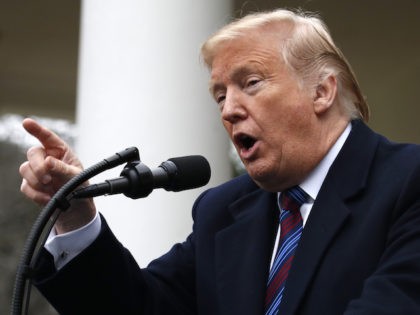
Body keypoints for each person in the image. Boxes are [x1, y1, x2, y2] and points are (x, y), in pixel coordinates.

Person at [19, 8, 420, 315]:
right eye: (219, 96)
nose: (228, 110)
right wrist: (74, 216)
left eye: (251, 83)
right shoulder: (223, 211)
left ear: (321, 92)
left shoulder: (409, 183)